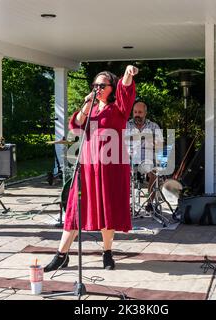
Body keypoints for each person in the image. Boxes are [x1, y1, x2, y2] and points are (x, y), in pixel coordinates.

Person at [44, 65, 138, 272]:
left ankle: (107, 253)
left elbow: (126, 90)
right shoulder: (92, 108)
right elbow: (76, 126)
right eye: (95, 84)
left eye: (102, 85)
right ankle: (61, 255)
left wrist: (128, 75)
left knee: (108, 209)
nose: (98, 88)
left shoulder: (119, 108)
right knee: (75, 209)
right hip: (87, 166)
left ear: (112, 88)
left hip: (112, 166)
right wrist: (88, 103)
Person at [126, 101, 163, 212]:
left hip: (147, 160)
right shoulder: (126, 125)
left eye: (140, 112)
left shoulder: (153, 126)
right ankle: (126, 204)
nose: (137, 114)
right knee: (122, 172)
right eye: (135, 112)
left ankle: (150, 203)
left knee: (154, 171)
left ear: (145, 113)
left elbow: (160, 146)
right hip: (130, 159)